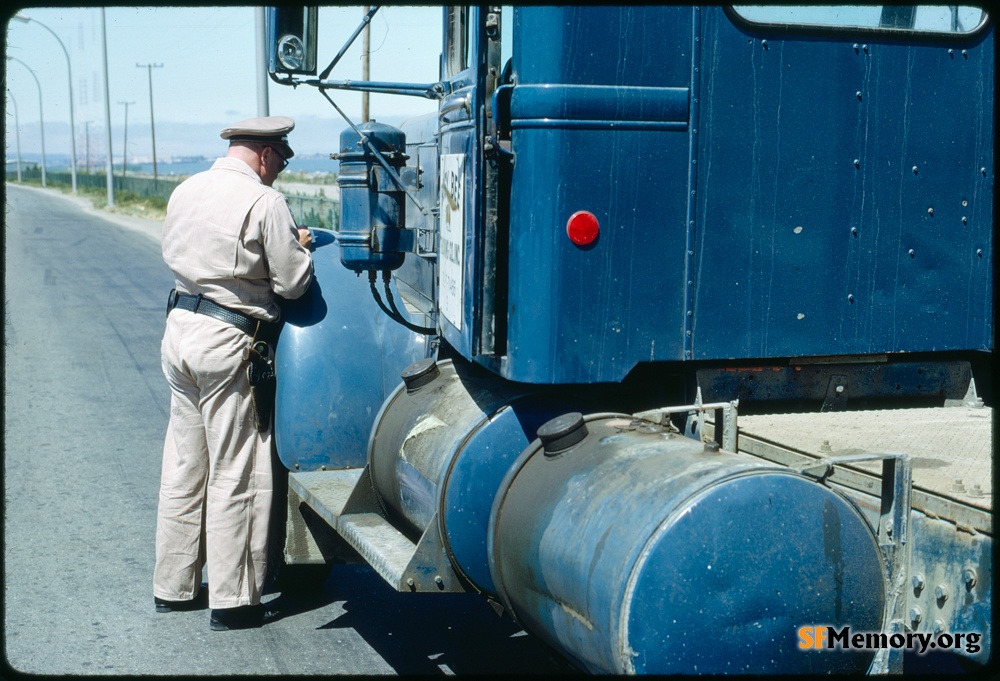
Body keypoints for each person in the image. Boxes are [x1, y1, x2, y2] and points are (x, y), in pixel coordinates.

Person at [153, 115, 314, 631]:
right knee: (235, 470)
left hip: (180, 328)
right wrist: (301, 246)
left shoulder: (187, 188)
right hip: (228, 340)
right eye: (280, 161)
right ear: (265, 154)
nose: (278, 172)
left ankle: (173, 588)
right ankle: (233, 599)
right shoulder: (265, 202)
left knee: (184, 463)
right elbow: (292, 284)